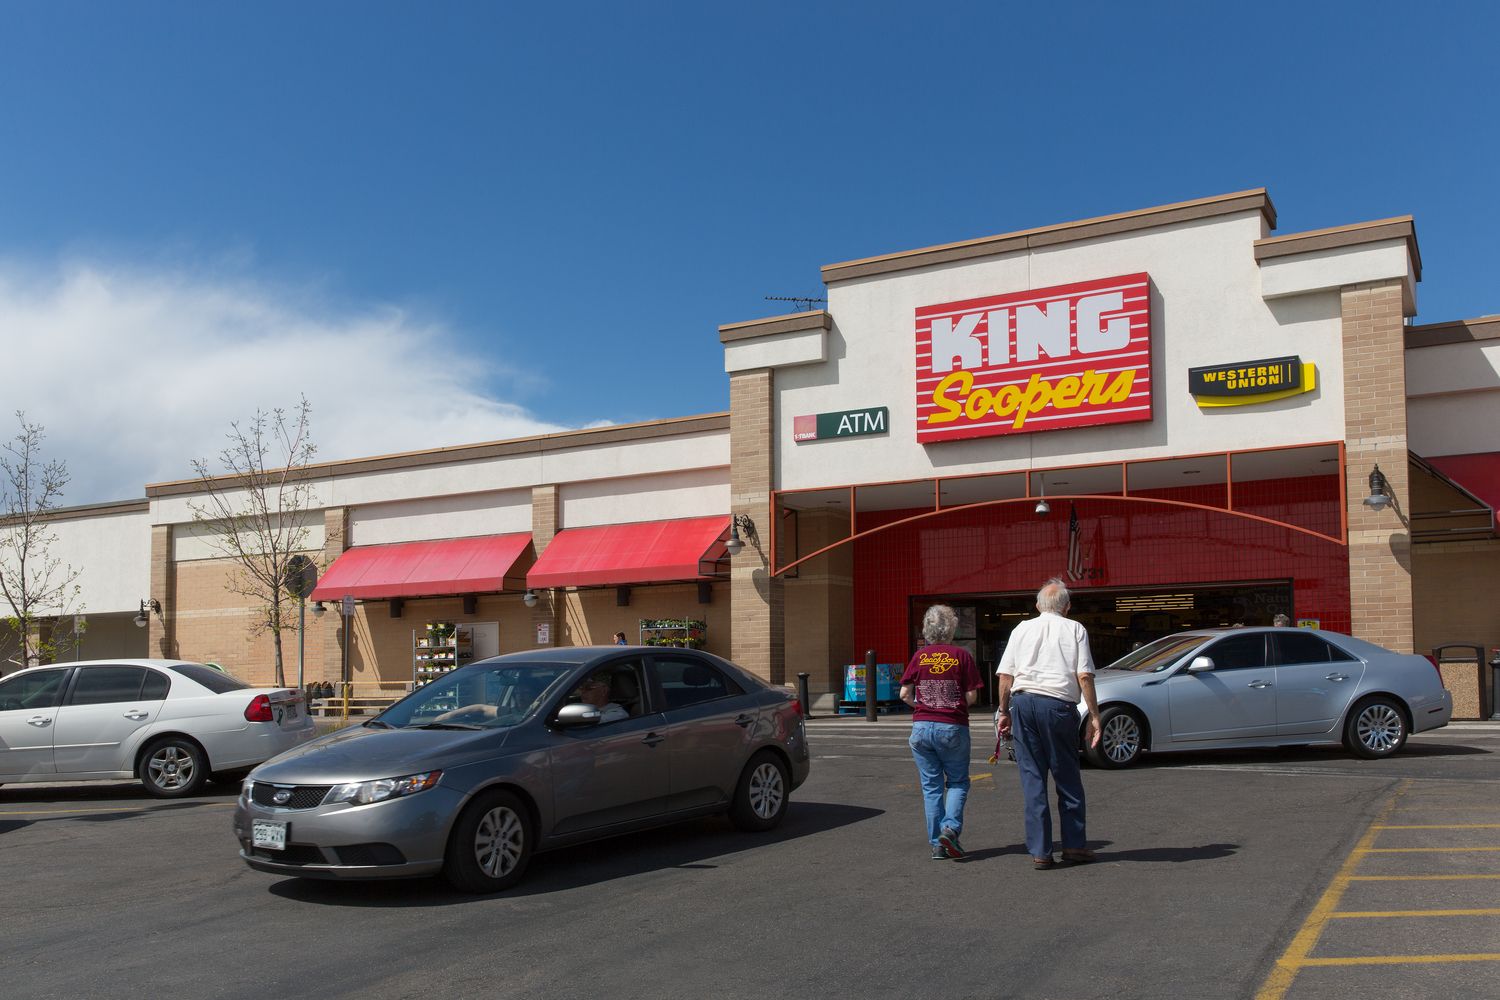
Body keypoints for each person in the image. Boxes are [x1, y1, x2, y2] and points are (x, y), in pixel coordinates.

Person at [996, 578, 1101, 869]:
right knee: (1067, 776)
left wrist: (1004, 711)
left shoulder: (1021, 629)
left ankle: (1041, 851)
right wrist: (1094, 715)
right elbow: (1084, 676)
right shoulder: (1075, 629)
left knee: (1032, 779)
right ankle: (1074, 845)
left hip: (1024, 703)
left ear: (1038, 605)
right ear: (1067, 607)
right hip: (1057, 706)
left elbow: (1006, 676)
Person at [900, 604, 984, 861]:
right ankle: (951, 829)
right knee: (958, 781)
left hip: (921, 727)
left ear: (927, 629)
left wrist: (923, 706)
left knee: (931, 787)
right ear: (951, 629)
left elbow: (904, 694)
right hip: (952, 726)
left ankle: (937, 844)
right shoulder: (962, 656)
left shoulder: (919, 657)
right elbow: (971, 695)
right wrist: (952, 705)